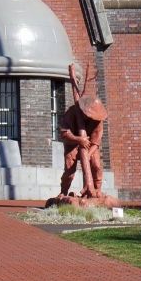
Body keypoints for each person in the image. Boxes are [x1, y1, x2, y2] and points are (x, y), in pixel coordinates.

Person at [58, 63, 108, 198]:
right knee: (69, 170)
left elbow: (96, 142)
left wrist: (87, 154)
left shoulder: (98, 120)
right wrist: (79, 140)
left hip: (90, 145)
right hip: (72, 144)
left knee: (96, 166)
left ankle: (96, 189)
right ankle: (63, 191)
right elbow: (64, 133)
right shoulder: (72, 113)